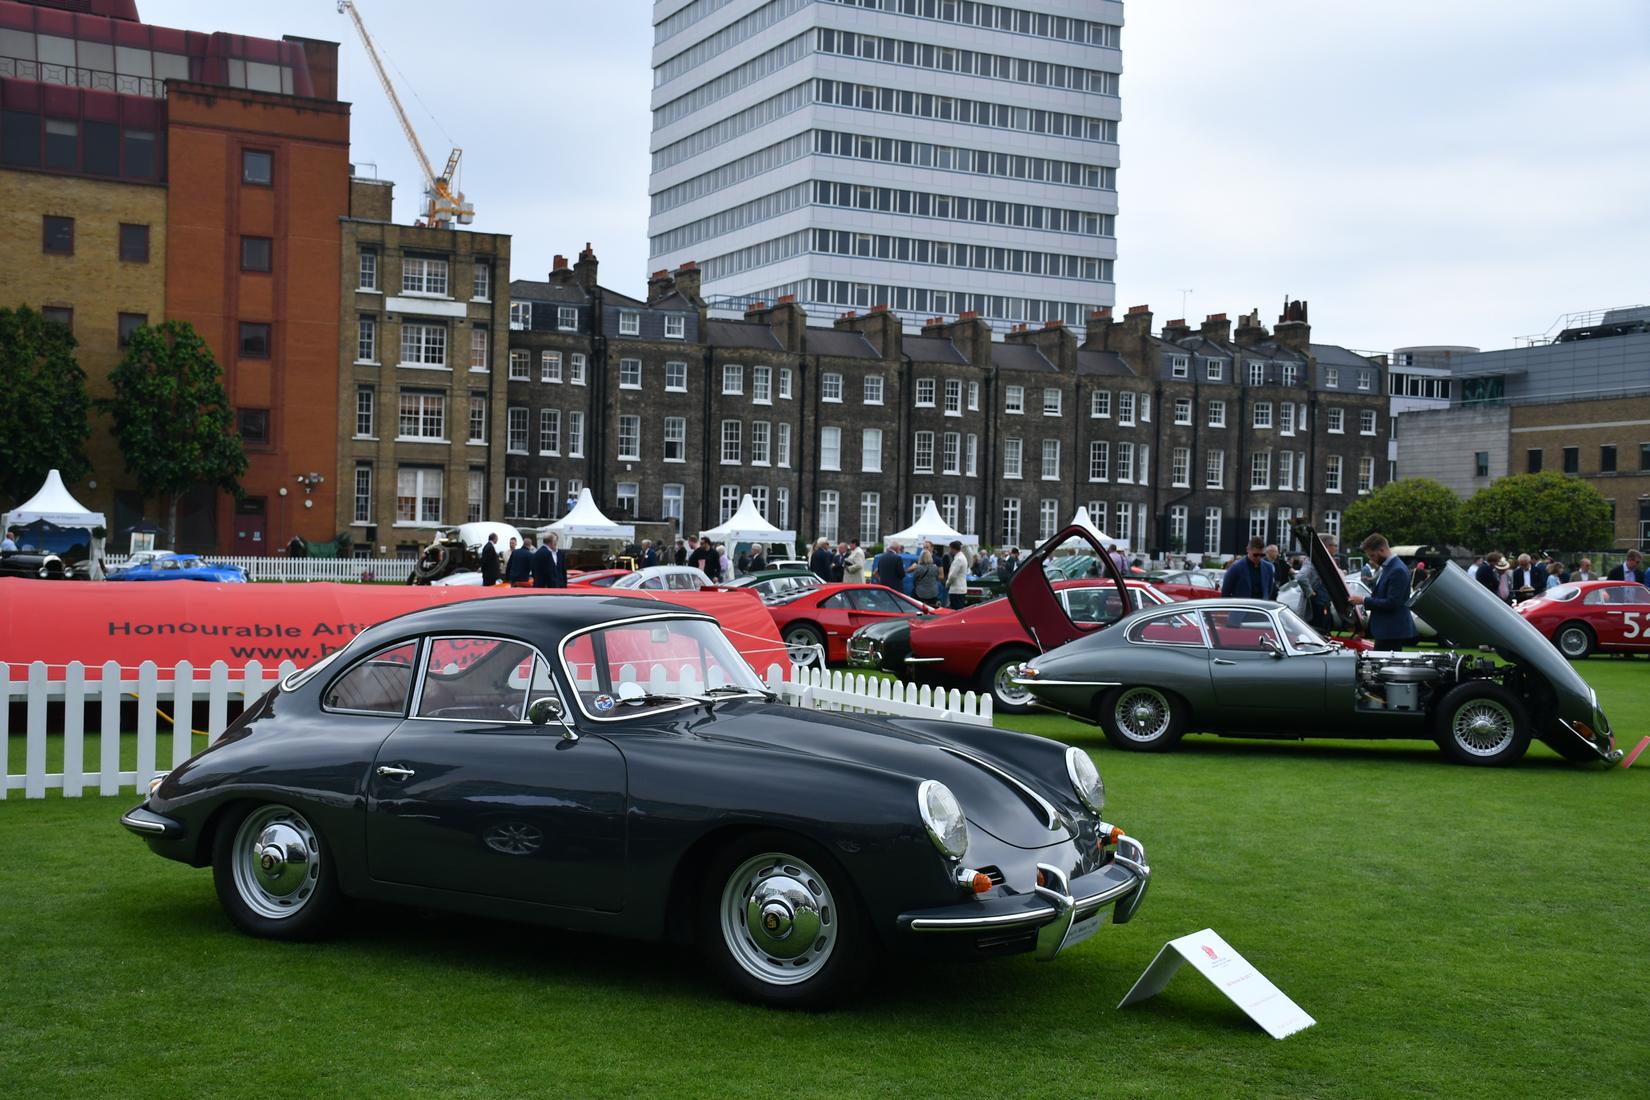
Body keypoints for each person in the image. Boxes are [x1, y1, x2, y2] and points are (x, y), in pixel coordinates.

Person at [1349, 534, 1415, 650]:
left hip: (1391, 630)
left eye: (1372, 555)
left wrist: (1363, 600)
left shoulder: (1397, 570)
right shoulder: (1389, 567)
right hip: (1388, 630)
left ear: (1382, 550)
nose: (1371, 559)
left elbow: (1392, 603)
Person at [1295, 538, 1336, 631]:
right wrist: (1310, 592)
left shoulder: (1326, 561)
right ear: (1327, 547)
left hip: (1325, 603)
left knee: (1326, 629)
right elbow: (1301, 577)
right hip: (1317, 605)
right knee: (1318, 631)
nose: (1336, 548)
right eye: (1335, 546)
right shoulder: (1314, 561)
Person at [944, 540, 969, 610]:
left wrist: (947, 584)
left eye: (950, 548)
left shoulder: (958, 559)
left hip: (956, 590)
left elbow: (953, 575)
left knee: (956, 611)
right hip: (961, 589)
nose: (950, 550)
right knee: (960, 610)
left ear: (953, 548)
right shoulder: (963, 557)